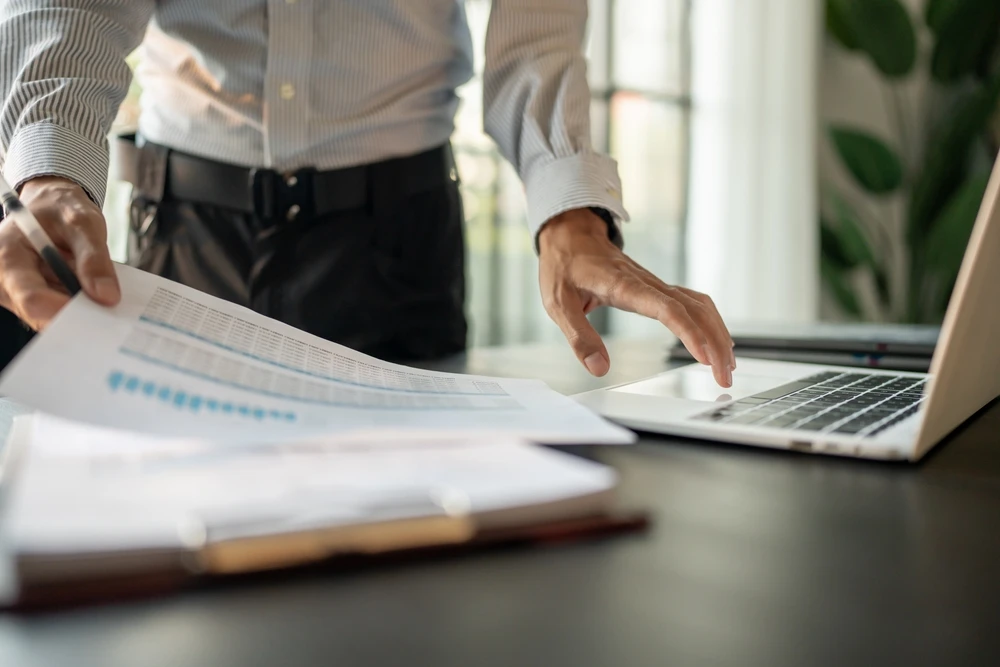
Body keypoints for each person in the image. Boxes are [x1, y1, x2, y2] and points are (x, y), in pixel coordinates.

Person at [0, 0, 735, 387]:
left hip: (397, 242)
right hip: (187, 235)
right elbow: (77, 6)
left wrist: (570, 213)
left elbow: (539, 30)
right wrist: (53, 171)